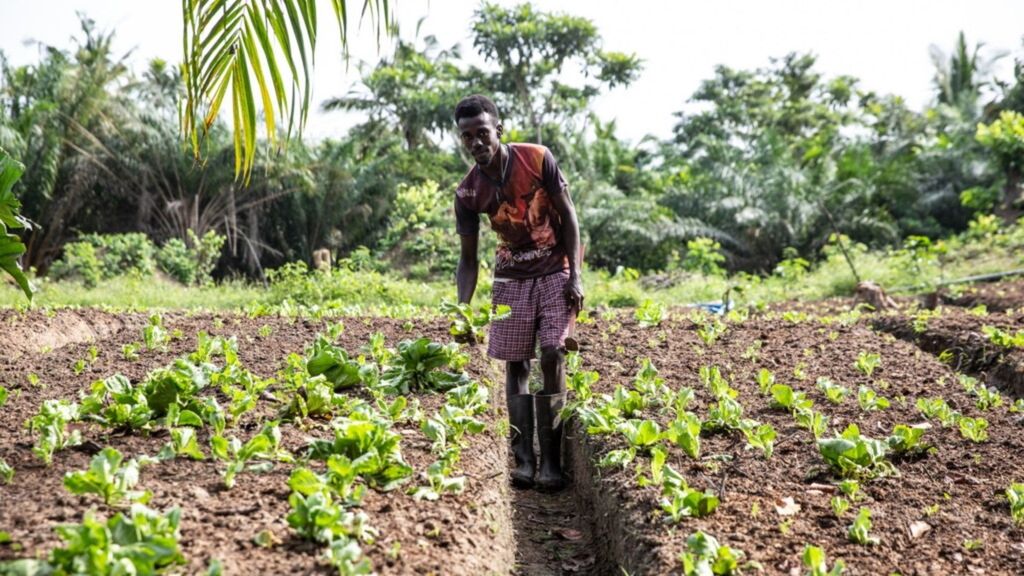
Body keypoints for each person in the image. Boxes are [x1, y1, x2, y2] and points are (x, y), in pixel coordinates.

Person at [451, 94, 584, 491]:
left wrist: (576, 274)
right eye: (467, 136)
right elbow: (469, 260)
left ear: (499, 131)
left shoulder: (537, 158)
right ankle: (524, 460)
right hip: (511, 277)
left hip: (554, 266)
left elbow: (571, 216)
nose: (476, 142)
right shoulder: (468, 193)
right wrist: (462, 310)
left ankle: (553, 463)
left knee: (553, 353)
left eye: (482, 133)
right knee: (515, 363)